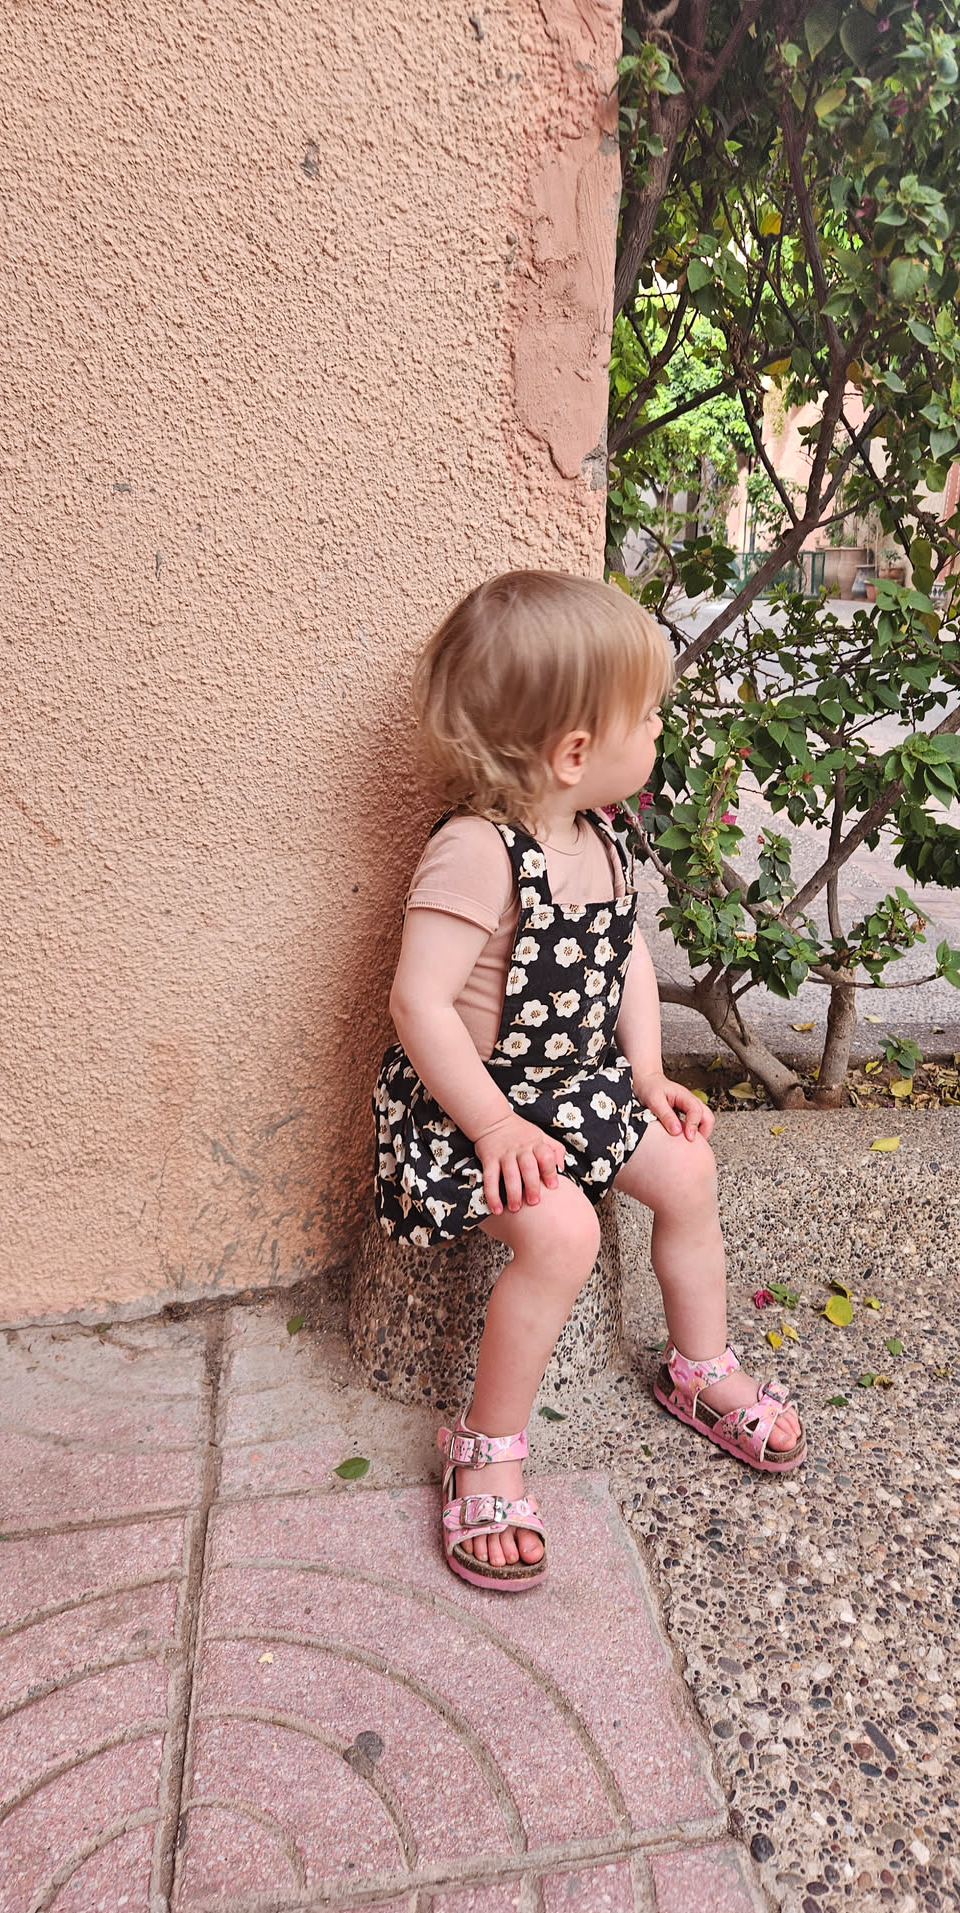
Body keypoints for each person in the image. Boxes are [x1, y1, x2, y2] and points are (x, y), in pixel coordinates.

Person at [374, 571, 806, 1594]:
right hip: (466, 1112)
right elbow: (418, 1004)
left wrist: (646, 1073)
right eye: (647, 717)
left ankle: (700, 1367)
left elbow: (626, 961)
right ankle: (486, 1447)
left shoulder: (600, 839)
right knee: (562, 1233)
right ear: (575, 753)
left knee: (689, 1173)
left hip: (574, 1088)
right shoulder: (476, 855)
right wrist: (492, 1127)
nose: (659, 730)